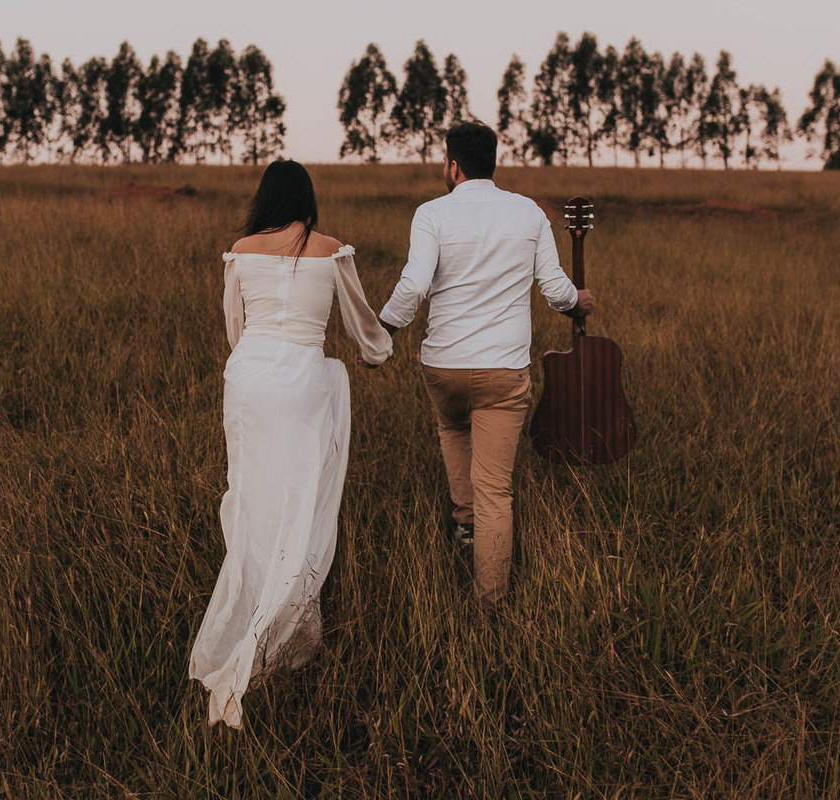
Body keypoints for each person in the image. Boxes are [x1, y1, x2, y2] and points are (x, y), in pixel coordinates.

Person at [189, 159, 392, 730]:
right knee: (301, 501)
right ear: (306, 198)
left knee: (254, 498)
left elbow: (236, 329)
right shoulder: (331, 250)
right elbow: (362, 326)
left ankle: (257, 613)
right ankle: (290, 631)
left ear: (264, 199)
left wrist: (257, 358)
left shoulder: (240, 249)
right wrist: (378, 354)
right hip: (303, 382)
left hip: (250, 381)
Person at [377, 121, 596, 608]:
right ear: (491, 163)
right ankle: (490, 605)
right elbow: (556, 290)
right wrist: (578, 301)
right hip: (503, 372)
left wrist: (383, 331)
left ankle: (465, 528)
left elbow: (413, 287)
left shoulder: (431, 213)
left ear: (453, 166)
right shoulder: (528, 214)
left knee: (454, 432)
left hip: (444, 368)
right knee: (496, 489)